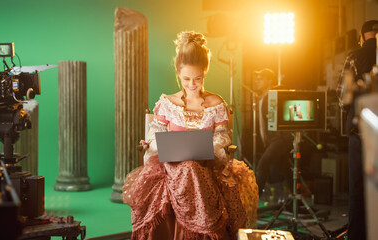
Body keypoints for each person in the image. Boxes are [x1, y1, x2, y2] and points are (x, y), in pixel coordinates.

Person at [122, 31, 258, 239]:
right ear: (178, 74)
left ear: (205, 73)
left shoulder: (216, 103)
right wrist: (152, 142)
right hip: (171, 168)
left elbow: (222, 136)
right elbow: (155, 133)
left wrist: (207, 148)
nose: (192, 84)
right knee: (187, 166)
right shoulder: (167, 103)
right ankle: (201, 227)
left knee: (192, 166)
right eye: (186, 79)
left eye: (198, 78)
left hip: (207, 164)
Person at [337, 19, 378, 240]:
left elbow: (344, 97)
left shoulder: (354, 56)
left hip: (360, 132)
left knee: (358, 191)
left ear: (362, 37)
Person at [253, 69, 293, 198]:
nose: (257, 81)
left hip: (280, 138)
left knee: (262, 164)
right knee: (285, 169)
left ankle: (254, 202)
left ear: (269, 80)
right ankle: (294, 201)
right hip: (271, 139)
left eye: (261, 79)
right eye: (257, 79)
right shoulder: (262, 98)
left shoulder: (276, 95)